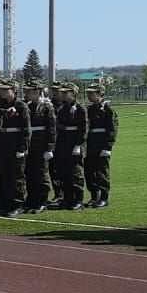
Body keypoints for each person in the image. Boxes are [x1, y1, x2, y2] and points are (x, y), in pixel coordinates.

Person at [0, 79, 31, 217]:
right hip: (3, 144)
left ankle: (18, 204)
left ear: (13, 90)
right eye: (1, 90)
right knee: (5, 176)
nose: (2, 92)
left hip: (15, 145)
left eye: (6, 89)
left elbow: (26, 129)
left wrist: (22, 148)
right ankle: (7, 203)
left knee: (17, 177)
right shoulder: (1, 105)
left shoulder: (21, 106)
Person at [51, 82, 88, 210]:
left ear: (73, 93)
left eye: (66, 92)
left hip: (73, 143)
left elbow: (83, 128)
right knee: (64, 173)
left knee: (75, 173)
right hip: (63, 144)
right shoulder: (63, 108)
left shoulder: (80, 108)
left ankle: (78, 200)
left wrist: (79, 145)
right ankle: (68, 199)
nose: (63, 94)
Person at [21, 79, 56, 213]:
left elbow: (51, 129)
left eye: (29, 91)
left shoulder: (47, 107)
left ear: (37, 92)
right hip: (30, 146)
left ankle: (42, 201)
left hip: (41, 146)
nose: (26, 94)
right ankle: (32, 200)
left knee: (41, 175)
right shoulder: (28, 107)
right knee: (29, 174)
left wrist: (49, 148)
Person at [83, 83, 118, 209]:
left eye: (92, 93)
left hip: (101, 144)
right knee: (90, 171)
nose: (89, 95)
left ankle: (104, 197)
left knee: (101, 172)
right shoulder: (89, 109)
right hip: (90, 144)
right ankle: (94, 196)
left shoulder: (108, 109)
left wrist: (108, 146)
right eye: (88, 93)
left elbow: (113, 129)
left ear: (100, 94)